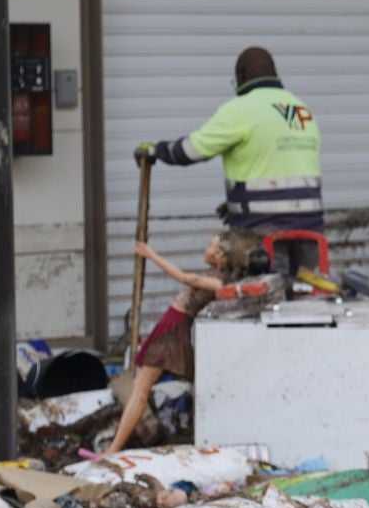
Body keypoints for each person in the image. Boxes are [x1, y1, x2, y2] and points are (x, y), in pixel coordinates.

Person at [139, 47, 325, 279]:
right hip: (310, 232)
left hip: (262, 234)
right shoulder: (301, 110)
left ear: (242, 75)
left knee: (266, 302)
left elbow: (191, 151)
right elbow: (282, 168)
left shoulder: (240, 110)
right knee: (306, 300)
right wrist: (238, 201)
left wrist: (157, 150)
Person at [106, 230, 263, 454]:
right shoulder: (215, 276)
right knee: (140, 386)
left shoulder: (216, 281)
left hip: (173, 329)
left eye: (211, 246)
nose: (206, 249)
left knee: (140, 388)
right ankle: (115, 445)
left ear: (221, 256)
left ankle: (113, 448)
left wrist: (151, 255)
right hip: (170, 325)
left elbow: (184, 277)